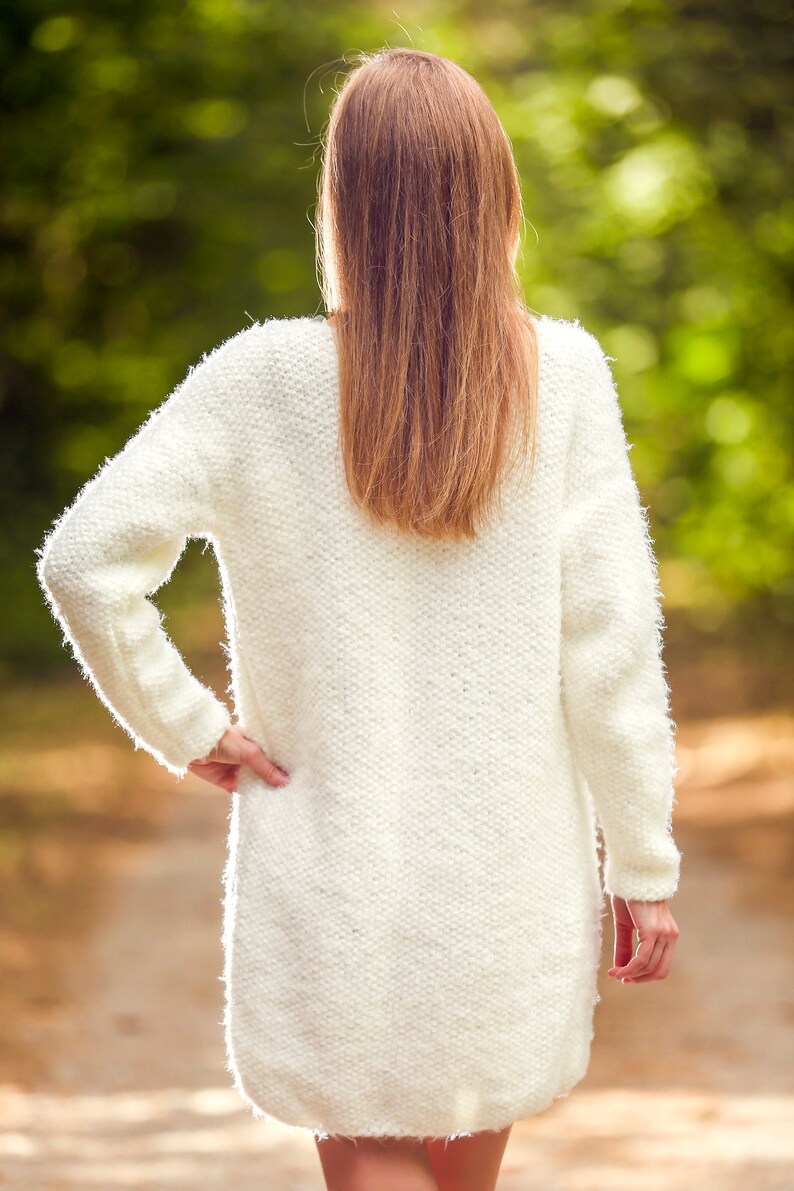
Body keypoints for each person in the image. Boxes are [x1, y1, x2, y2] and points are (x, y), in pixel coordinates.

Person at [36, 46, 682, 1191]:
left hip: (330, 860)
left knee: (371, 1154)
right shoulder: (566, 377)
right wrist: (640, 860)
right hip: (507, 868)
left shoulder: (258, 380)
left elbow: (85, 561)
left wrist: (189, 727)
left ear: (340, 200)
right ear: (496, 201)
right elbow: (612, 648)